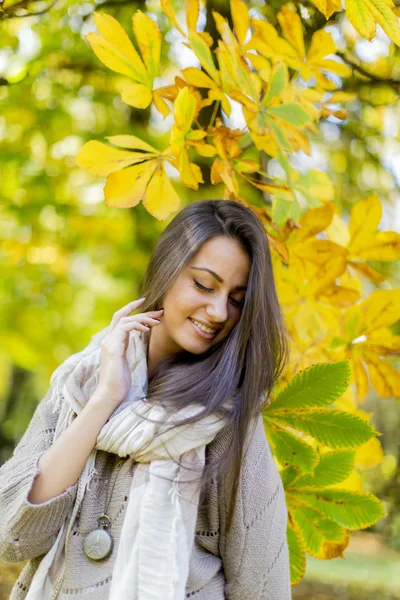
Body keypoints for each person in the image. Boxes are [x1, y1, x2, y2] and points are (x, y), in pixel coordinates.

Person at [0, 199, 292, 600]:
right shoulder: (79, 382)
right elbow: (12, 537)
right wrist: (104, 399)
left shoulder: (226, 416)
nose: (219, 310)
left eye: (237, 299)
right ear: (166, 272)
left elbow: (263, 584)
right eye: (204, 285)